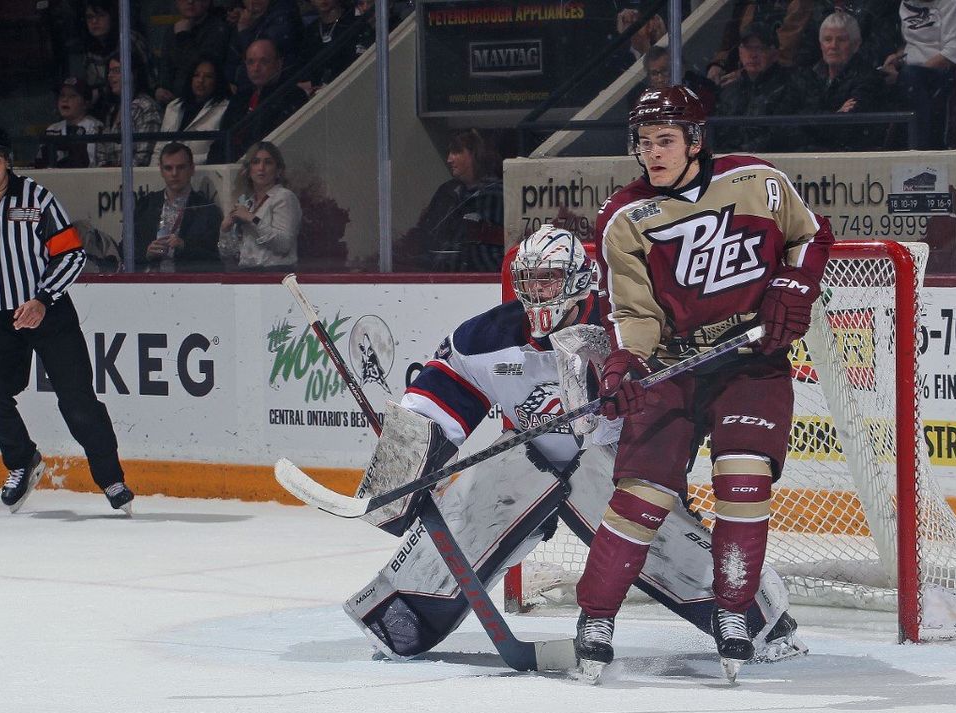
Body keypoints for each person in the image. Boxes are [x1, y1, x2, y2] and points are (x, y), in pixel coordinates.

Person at [345, 225, 805, 670]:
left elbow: (680, 401)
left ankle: (763, 620)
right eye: (529, 280)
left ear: (580, 282)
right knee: (473, 499)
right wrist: (403, 467)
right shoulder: (484, 337)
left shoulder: (625, 324)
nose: (538, 292)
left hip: (618, 469)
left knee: (656, 538)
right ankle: (400, 615)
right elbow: (437, 399)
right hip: (532, 460)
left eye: (549, 280)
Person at [574, 86, 833, 680]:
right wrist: (626, 366)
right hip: (674, 366)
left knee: (744, 483)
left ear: (695, 140)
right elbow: (635, 314)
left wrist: (794, 287)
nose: (652, 154)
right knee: (642, 498)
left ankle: (734, 612)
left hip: (750, 359)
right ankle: (596, 617)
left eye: (665, 140)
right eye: (643, 142)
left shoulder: (756, 181)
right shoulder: (623, 218)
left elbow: (809, 236)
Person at [0, 129, 134, 514]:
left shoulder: (37, 199)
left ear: (8, 161)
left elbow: (72, 255)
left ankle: (111, 479)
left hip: (50, 314)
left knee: (78, 402)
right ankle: (23, 460)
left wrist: (43, 299)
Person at [394, 129, 504, 272]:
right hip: (444, 277)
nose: (449, 159)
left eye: (456, 152)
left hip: (485, 278)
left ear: (474, 154)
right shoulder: (446, 192)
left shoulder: (497, 195)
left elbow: (492, 247)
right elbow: (428, 236)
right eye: (450, 152)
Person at [879, 0, 956, 149]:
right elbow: (914, 42)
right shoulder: (907, 3)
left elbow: (954, 53)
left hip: (948, 74)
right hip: (912, 73)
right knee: (874, 80)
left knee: (911, 79)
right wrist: (898, 58)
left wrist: (904, 76)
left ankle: (921, 148)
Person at [713, 22, 819, 153]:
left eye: (760, 48)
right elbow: (717, 132)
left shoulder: (792, 85)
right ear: (740, 52)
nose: (753, 55)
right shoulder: (729, 92)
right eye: (748, 48)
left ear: (774, 53)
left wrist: (747, 151)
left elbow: (787, 132)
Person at [207, 38, 306, 163]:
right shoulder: (240, 97)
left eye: (264, 61)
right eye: (250, 62)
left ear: (279, 63)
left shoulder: (292, 95)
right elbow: (222, 139)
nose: (256, 68)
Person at [807, 11, 890, 151]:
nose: (833, 46)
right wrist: (835, 114)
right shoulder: (809, 76)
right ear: (821, 45)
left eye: (841, 40)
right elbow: (799, 117)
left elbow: (847, 128)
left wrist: (818, 119)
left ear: (856, 44)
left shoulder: (868, 79)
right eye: (828, 39)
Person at [134, 143, 223, 272]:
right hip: (149, 283)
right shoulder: (146, 205)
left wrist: (184, 247)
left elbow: (216, 256)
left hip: (190, 284)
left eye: (181, 167)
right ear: (161, 171)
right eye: (168, 168)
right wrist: (146, 253)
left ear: (192, 169)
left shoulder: (207, 209)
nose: (174, 173)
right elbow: (126, 247)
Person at [218, 140, 302, 270]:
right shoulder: (248, 203)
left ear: (278, 169)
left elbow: (283, 245)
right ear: (248, 169)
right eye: (255, 162)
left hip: (276, 274)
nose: (261, 168)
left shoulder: (284, 197)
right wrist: (224, 230)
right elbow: (229, 254)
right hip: (247, 274)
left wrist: (252, 219)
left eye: (268, 162)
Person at [153, 56, 231, 162]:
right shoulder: (174, 106)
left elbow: (216, 153)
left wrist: (182, 161)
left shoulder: (224, 108)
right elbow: (159, 148)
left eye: (208, 76)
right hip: (166, 172)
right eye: (196, 75)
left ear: (217, 80)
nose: (201, 80)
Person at [155, 0, 232, 106]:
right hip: (174, 103)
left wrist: (184, 38)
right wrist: (161, 88)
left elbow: (199, 67)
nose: (190, 1)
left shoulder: (218, 29)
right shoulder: (173, 30)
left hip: (204, 103)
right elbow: (165, 65)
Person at [79, 0, 154, 109]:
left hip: (138, 102)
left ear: (112, 17)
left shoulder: (130, 40)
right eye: (90, 17)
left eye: (101, 15)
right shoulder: (88, 50)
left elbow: (149, 77)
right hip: (108, 108)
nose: (94, 21)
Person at [95, 53, 163, 167]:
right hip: (108, 180)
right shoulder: (111, 110)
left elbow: (144, 156)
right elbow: (101, 152)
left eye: (117, 71)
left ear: (134, 74)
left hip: (136, 181)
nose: (110, 76)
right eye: (110, 71)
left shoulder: (146, 107)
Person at [225, 0, 300, 94]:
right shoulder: (245, 18)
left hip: (280, 87)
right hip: (248, 90)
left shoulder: (283, 12)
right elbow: (232, 62)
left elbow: (263, 51)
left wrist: (245, 31)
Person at [33, 76, 104, 168]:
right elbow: (41, 163)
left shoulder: (95, 127)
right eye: (62, 95)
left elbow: (98, 164)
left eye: (72, 96)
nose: (65, 99)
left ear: (86, 103)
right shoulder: (52, 129)